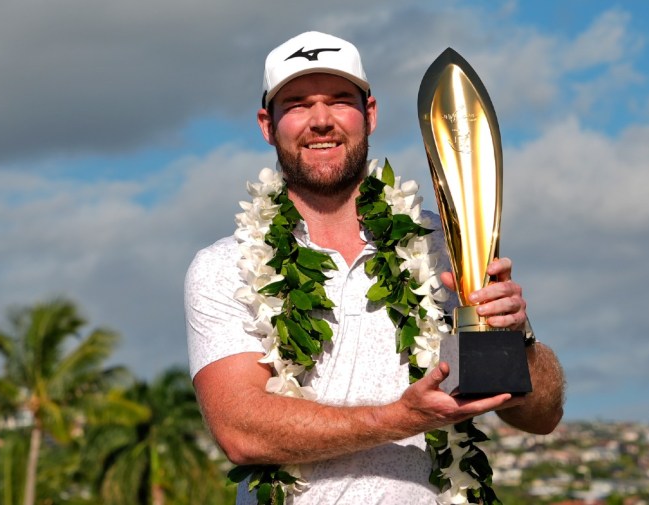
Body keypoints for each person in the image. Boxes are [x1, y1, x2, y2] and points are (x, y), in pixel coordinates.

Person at [185, 31, 565, 504]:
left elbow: (541, 417)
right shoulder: (226, 265)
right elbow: (242, 431)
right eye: (298, 104)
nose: (320, 121)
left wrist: (515, 337)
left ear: (370, 115)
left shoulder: (446, 244)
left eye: (340, 101)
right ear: (267, 124)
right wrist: (407, 416)